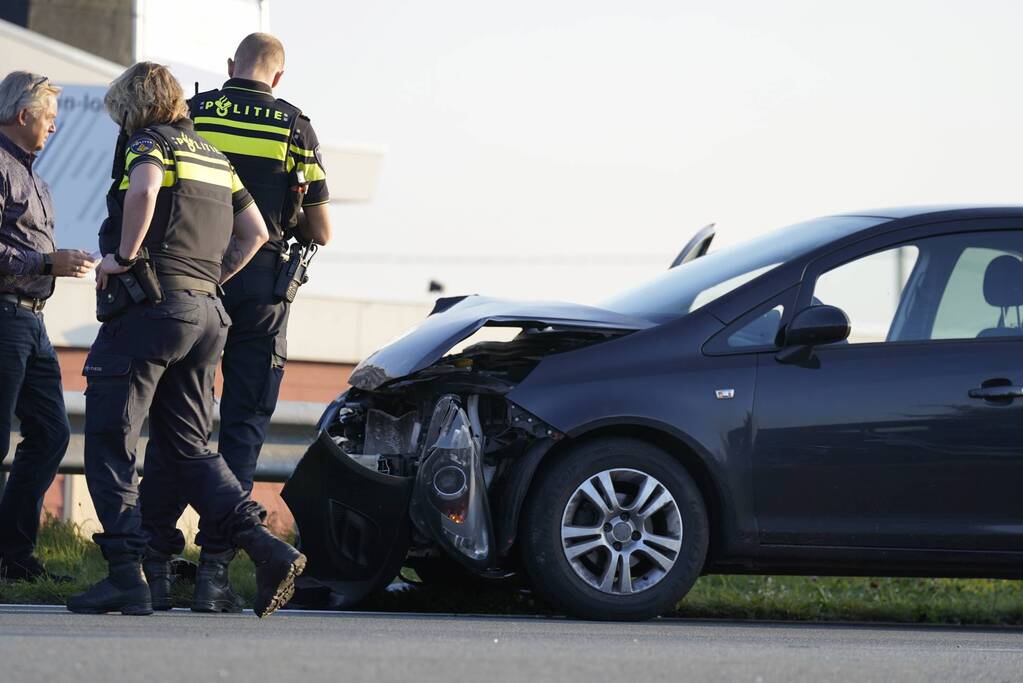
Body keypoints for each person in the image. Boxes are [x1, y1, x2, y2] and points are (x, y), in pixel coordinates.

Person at [66, 62, 304, 617]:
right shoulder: (214, 158)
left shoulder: (150, 144)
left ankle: (128, 575)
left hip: (149, 313)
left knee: (110, 439)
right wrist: (212, 278)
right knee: (190, 447)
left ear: (134, 107)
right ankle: (266, 546)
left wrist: (122, 259)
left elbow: (145, 190)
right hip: (206, 315)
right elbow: (258, 233)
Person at [140, 32, 331, 613]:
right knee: (244, 422)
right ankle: (213, 575)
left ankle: (154, 561)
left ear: (230, 67)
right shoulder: (293, 126)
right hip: (262, 289)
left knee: (180, 422)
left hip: (191, 279)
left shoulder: (194, 114)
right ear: (277, 77)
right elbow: (321, 229)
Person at [0, 71, 97, 582]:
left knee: (52, 433)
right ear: (23, 116)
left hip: (32, 322)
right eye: (50, 119)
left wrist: (57, 263)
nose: (54, 129)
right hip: (5, 315)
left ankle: (13, 558)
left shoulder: (36, 177)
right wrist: (45, 263)